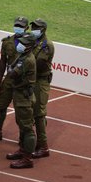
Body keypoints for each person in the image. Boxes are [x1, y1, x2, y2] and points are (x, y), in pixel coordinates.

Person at [0, 16, 29, 143]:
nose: (18, 28)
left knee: (21, 112)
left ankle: (23, 137)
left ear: (27, 28)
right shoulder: (7, 42)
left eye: (21, 26)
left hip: (23, 81)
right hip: (8, 79)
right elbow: (3, 61)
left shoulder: (31, 43)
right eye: (17, 25)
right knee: (0, 108)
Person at [6, 33, 37, 169]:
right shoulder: (23, 56)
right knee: (22, 125)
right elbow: (11, 68)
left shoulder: (27, 60)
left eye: (23, 43)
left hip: (24, 97)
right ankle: (23, 150)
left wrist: (10, 69)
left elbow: (11, 72)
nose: (20, 44)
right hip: (20, 95)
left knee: (27, 128)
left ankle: (27, 158)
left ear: (29, 46)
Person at [30, 19, 55, 159]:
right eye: (33, 27)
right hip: (32, 80)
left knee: (39, 114)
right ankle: (32, 140)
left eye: (36, 28)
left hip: (40, 81)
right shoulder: (32, 41)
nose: (33, 29)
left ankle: (43, 146)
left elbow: (38, 64)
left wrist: (25, 63)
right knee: (31, 112)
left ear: (43, 30)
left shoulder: (47, 46)